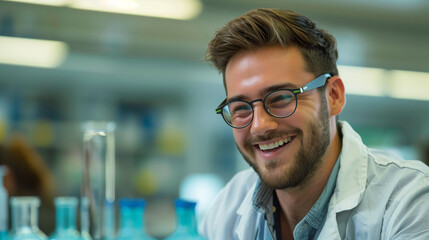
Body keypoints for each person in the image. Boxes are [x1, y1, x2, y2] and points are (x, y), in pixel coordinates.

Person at [199, 8, 429, 240]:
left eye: (280, 98)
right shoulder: (226, 208)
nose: (259, 126)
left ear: (334, 97)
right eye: (241, 108)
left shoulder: (410, 202)